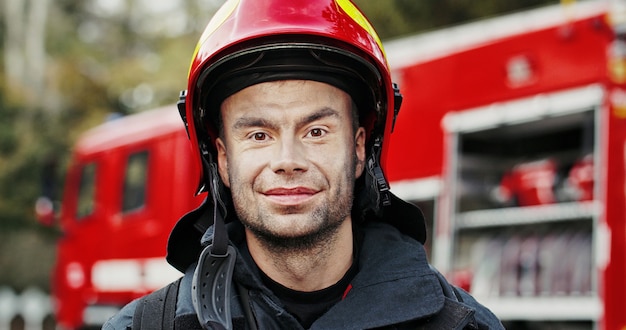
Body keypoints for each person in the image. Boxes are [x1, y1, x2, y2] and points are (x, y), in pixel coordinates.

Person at [104, 0, 504, 329]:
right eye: (259, 135)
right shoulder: (145, 326)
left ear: (360, 148)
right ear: (222, 159)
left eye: (316, 131)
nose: (287, 161)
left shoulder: (464, 325)